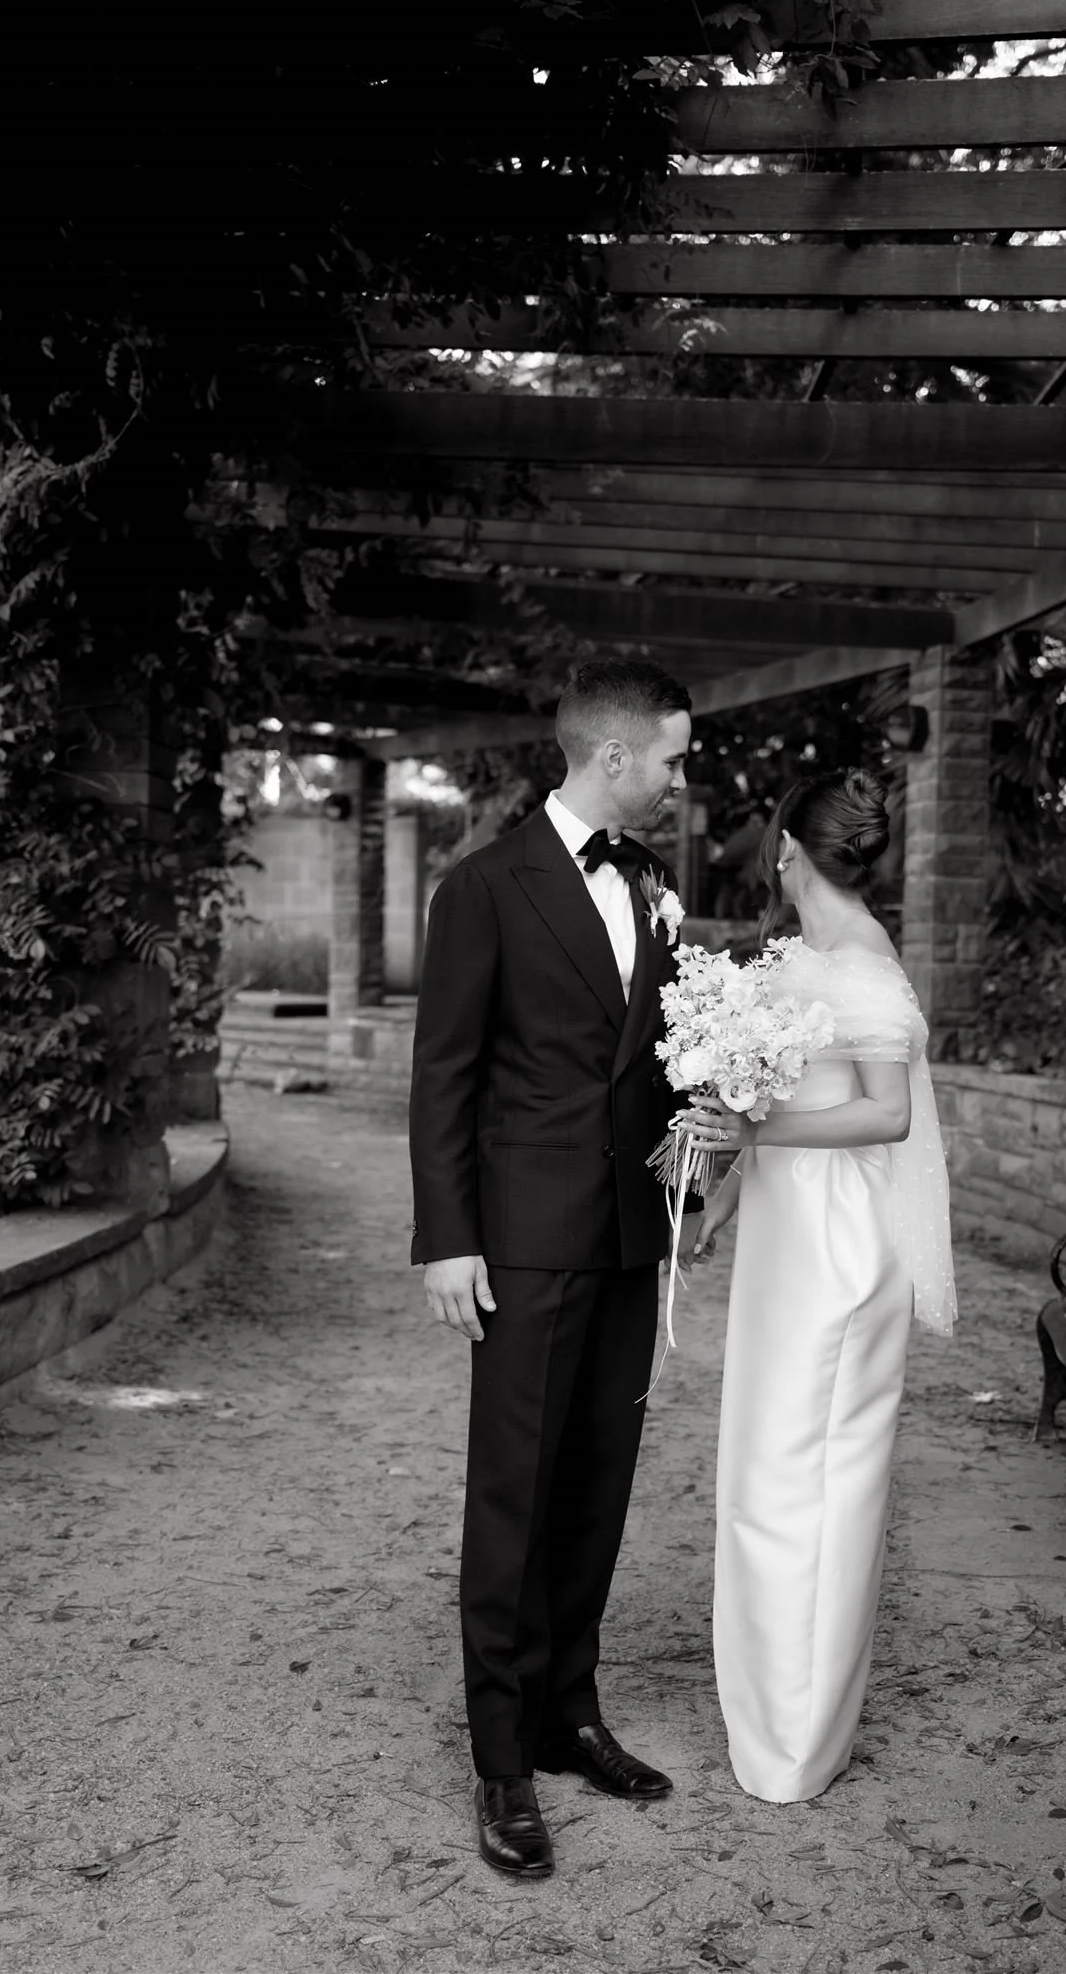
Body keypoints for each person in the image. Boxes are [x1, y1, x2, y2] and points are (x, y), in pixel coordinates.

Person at [410, 657, 696, 1879]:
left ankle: (570, 1710)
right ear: (613, 754)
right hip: (522, 1241)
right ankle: (499, 1753)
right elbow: (444, 1073)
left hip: (630, 1235)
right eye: (673, 757)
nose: (680, 778)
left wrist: (698, 1158)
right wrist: (448, 1234)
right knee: (513, 1489)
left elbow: (660, 1058)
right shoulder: (484, 887)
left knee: (598, 1481)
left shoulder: (655, 884)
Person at [679, 770, 956, 1805]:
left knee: (819, 1482)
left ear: (787, 849)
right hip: (785, 1241)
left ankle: (797, 1738)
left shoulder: (864, 965)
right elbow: (775, 1096)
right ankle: (766, 1710)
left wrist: (753, 1130)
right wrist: (722, 1198)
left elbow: (885, 1113)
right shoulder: (797, 955)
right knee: (764, 1473)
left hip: (839, 1250)